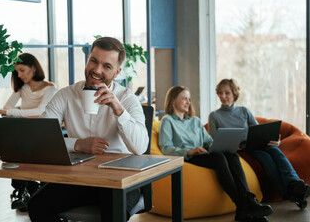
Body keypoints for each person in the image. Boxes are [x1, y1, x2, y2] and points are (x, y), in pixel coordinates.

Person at [27, 37, 148, 222]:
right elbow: (39, 138)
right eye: (94, 61)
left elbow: (140, 147)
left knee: (113, 212)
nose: (97, 70)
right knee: (37, 206)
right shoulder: (66, 95)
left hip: (120, 179)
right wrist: (77, 144)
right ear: (87, 59)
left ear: (117, 71)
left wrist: (118, 109)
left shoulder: (126, 98)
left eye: (107, 66)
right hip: (80, 178)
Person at [159, 85, 273, 222]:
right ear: (173, 101)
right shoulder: (167, 121)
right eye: (184, 98)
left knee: (231, 154)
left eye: (189, 99)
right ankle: (243, 206)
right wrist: (189, 151)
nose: (188, 102)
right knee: (219, 158)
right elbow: (166, 148)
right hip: (188, 157)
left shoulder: (195, 121)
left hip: (203, 154)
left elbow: (207, 141)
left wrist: (221, 144)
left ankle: (248, 200)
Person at [208, 78, 310, 210]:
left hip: (255, 144)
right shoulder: (215, 116)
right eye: (220, 93)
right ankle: (293, 193)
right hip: (240, 149)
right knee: (266, 158)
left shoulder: (244, 111)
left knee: (275, 151)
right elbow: (215, 140)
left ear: (234, 94)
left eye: (226, 93)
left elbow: (258, 131)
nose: (223, 96)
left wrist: (276, 141)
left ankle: (295, 184)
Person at [0, 53, 57, 212]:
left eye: (22, 70)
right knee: (17, 149)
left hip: (43, 132)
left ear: (33, 68)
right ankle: (25, 190)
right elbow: (8, 108)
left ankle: (25, 191)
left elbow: (41, 111)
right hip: (26, 132)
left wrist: (15, 113)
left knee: (23, 148)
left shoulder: (50, 88)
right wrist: (14, 112)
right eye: (17, 72)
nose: (19, 75)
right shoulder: (23, 88)